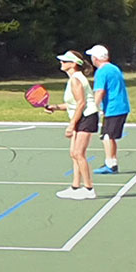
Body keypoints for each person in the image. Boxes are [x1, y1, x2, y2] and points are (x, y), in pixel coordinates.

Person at [50, 50, 98, 199]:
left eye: (65, 61)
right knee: (73, 154)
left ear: (73, 64)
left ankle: (89, 189)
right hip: (81, 116)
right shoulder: (73, 79)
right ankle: (75, 187)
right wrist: (56, 107)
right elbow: (72, 104)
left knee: (79, 153)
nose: (62, 63)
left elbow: (81, 103)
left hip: (87, 117)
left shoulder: (76, 80)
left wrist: (71, 125)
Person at [89, 44, 132, 174]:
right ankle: (112, 162)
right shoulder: (114, 68)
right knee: (109, 136)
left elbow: (100, 91)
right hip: (120, 107)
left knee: (107, 136)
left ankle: (110, 164)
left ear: (96, 58)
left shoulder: (101, 72)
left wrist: (93, 107)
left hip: (114, 108)